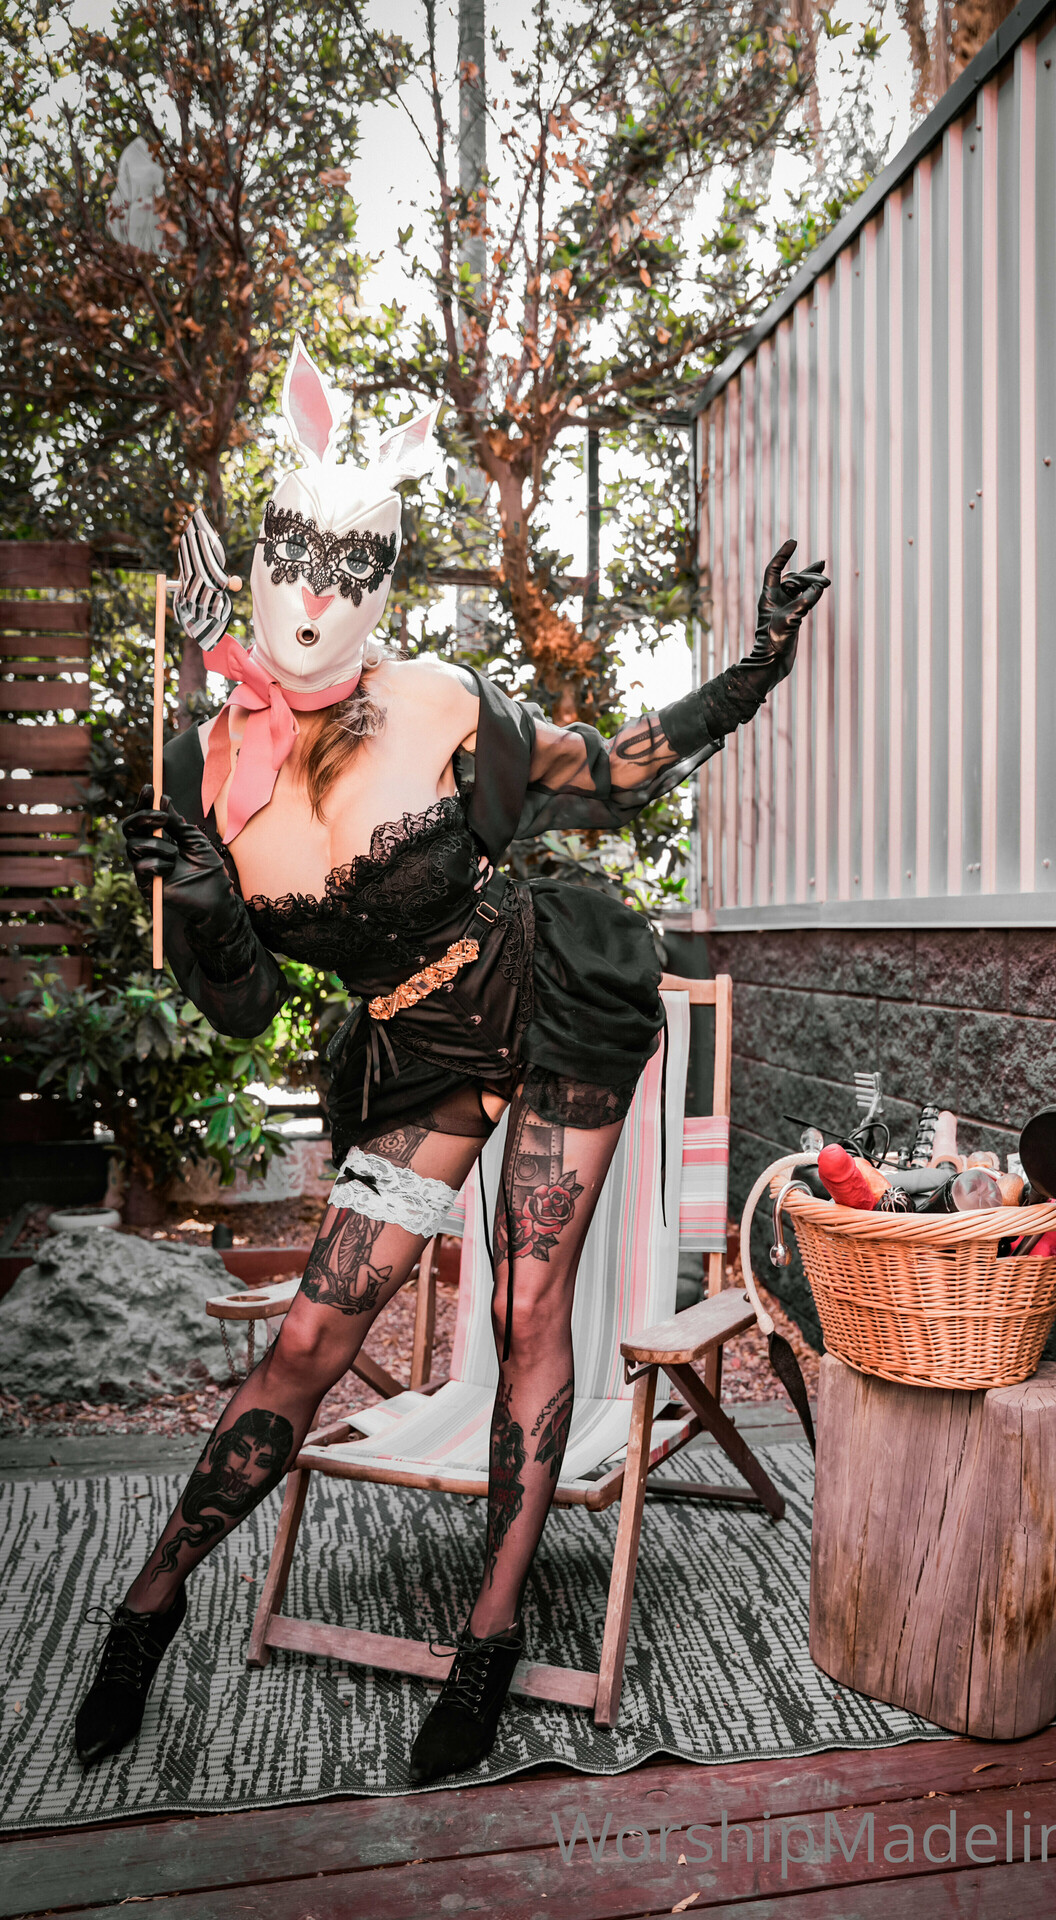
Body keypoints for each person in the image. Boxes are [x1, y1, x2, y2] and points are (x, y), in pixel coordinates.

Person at [73, 339, 829, 1786]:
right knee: (313, 1337)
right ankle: (145, 1613)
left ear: (381, 578)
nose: (316, 591)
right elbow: (241, 1009)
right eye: (297, 558)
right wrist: (209, 904)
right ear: (260, 562)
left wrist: (757, 665)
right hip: (414, 1051)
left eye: (349, 565)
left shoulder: (442, 701)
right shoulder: (197, 763)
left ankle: (488, 1645)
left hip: (549, 1000)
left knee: (527, 1303)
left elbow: (612, 771)